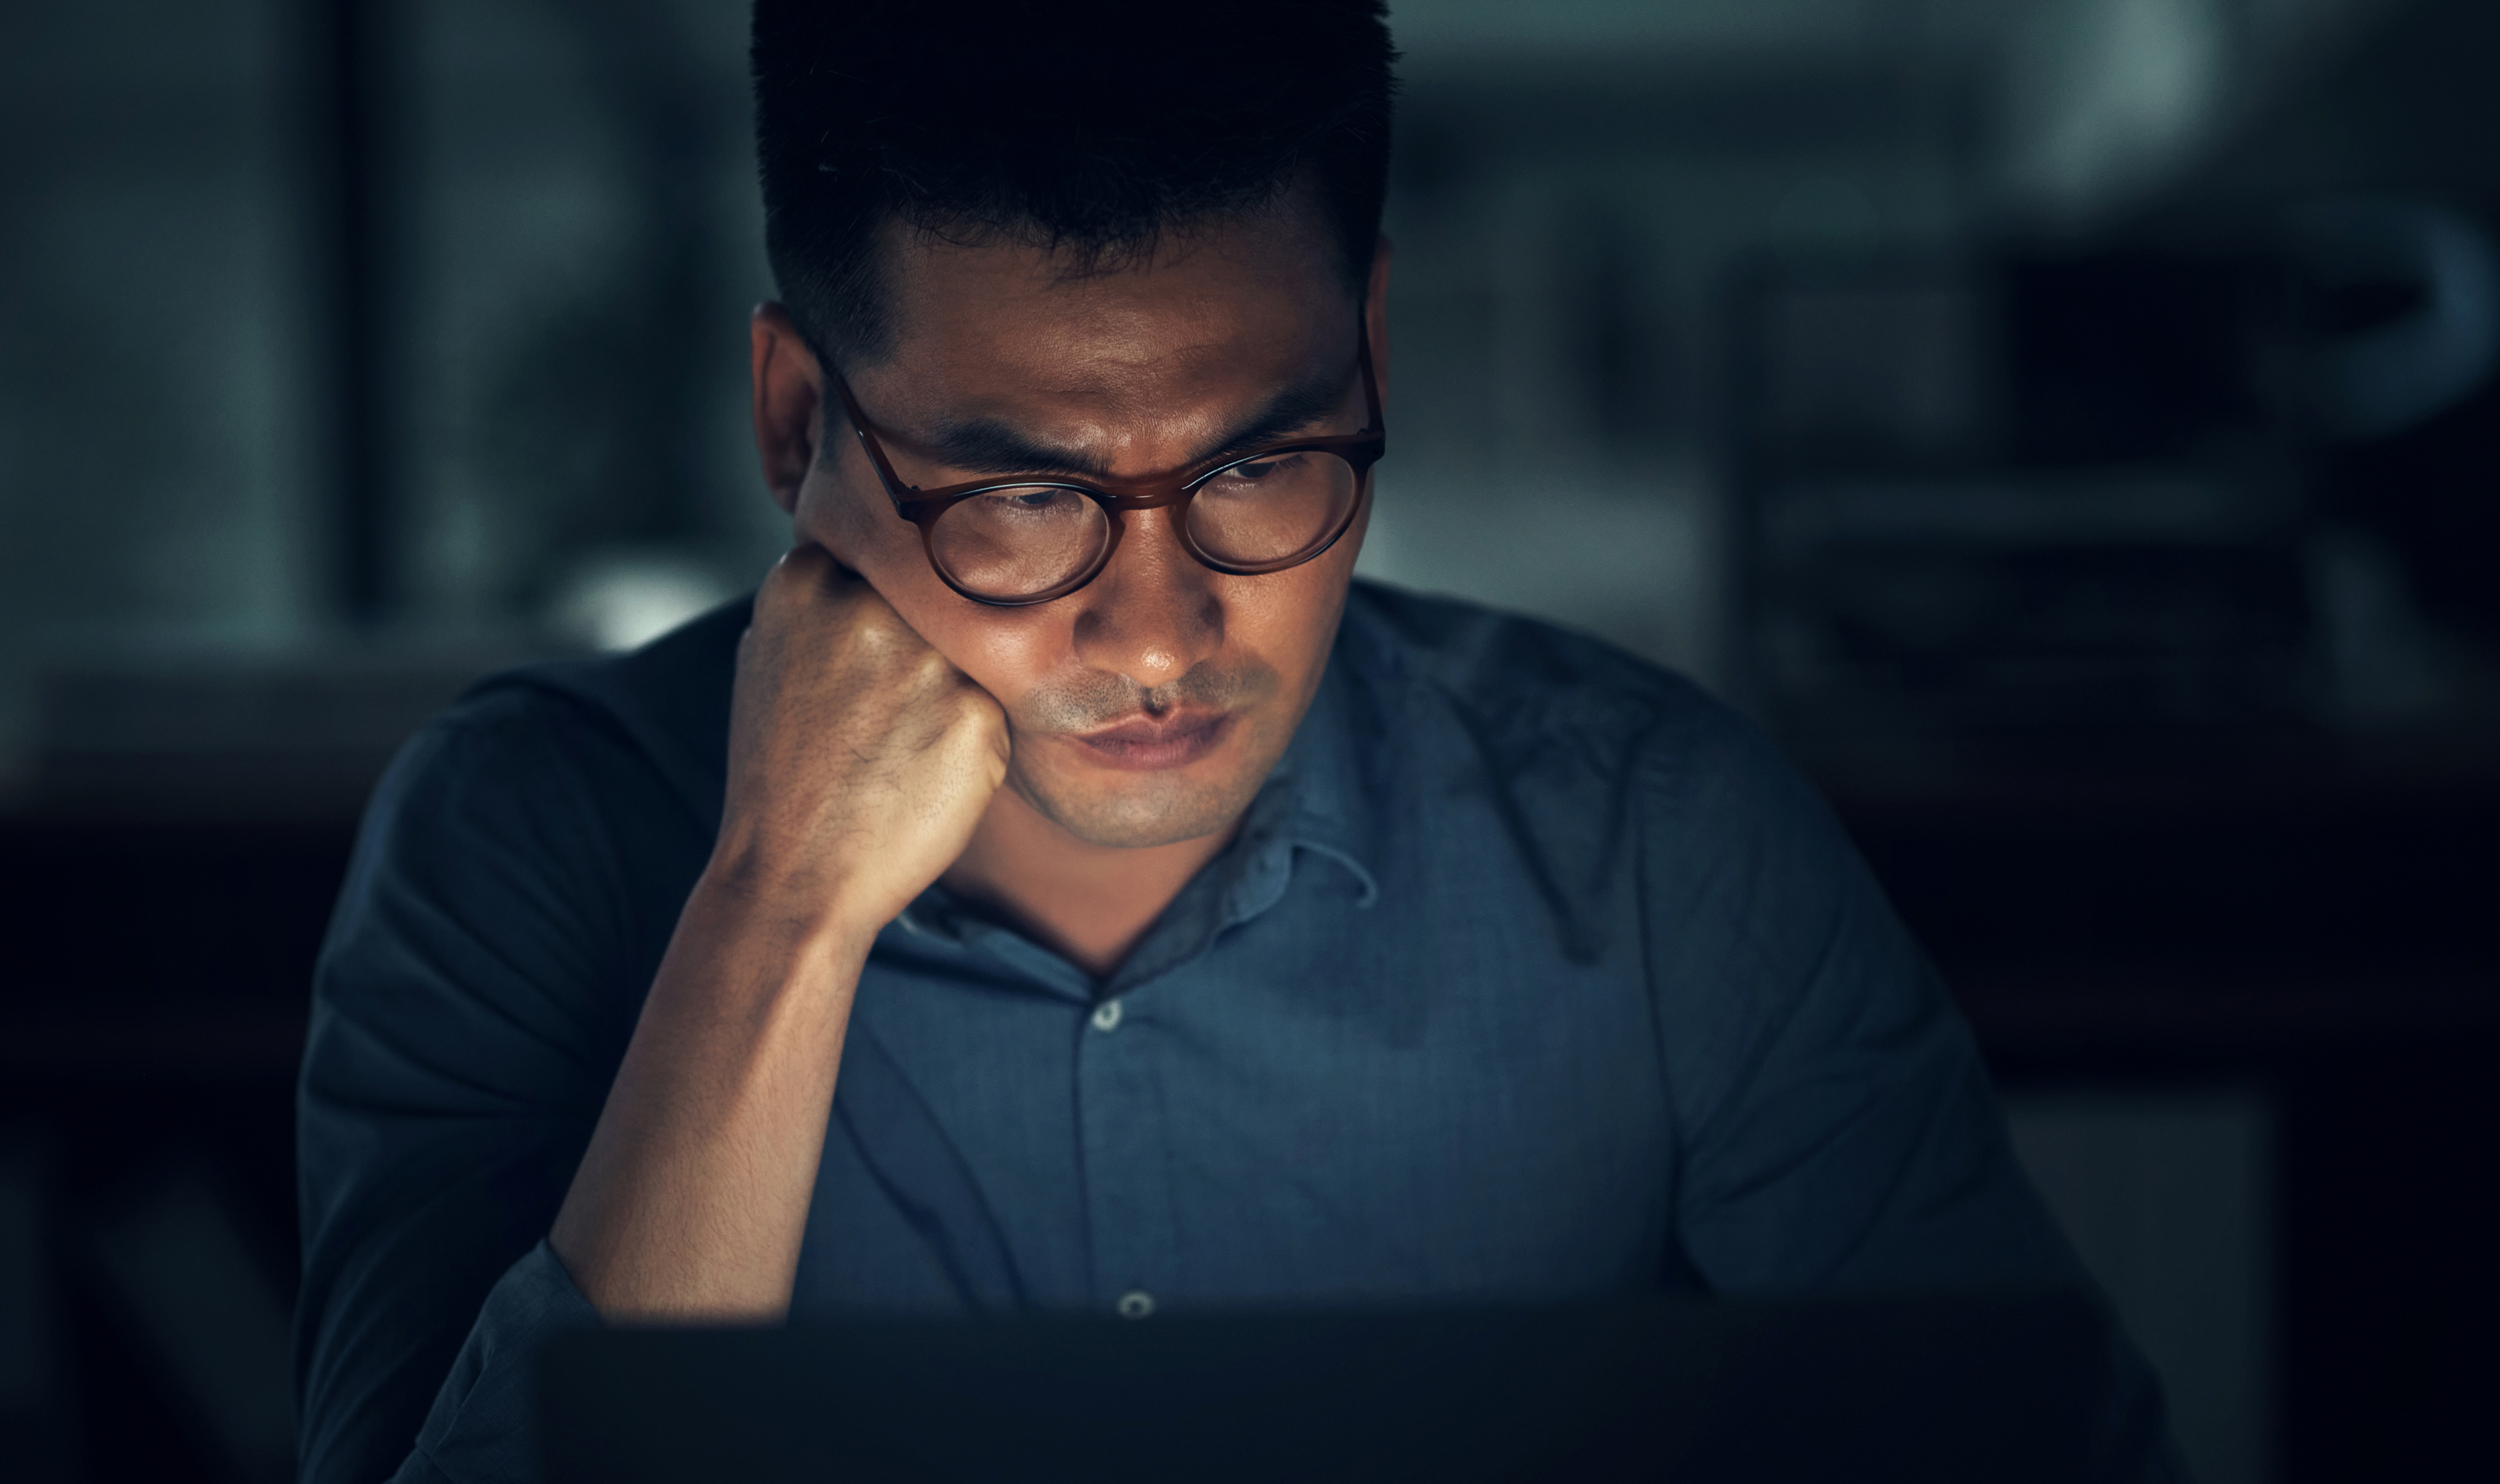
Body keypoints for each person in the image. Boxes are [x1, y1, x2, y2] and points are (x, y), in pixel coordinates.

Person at [295, 1, 2175, 1480]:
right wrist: (778, 906)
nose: (1161, 633)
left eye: (1266, 463)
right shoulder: (526, 835)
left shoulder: (1657, 846)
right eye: (1021, 495)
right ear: (799, 422)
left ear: (1368, 350)